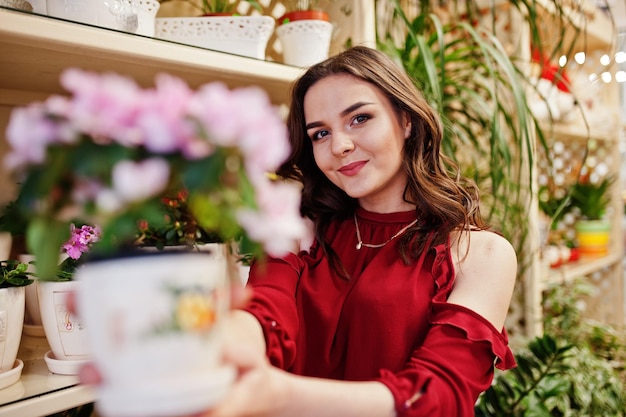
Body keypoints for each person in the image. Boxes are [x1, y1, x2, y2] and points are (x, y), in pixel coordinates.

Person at [78, 45, 517, 417]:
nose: (339, 146)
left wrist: (282, 395)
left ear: (405, 120)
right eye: (320, 133)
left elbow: (440, 394)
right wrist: (226, 341)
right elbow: (268, 313)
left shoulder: (479, 254)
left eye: (360, 118)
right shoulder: (297, 229)